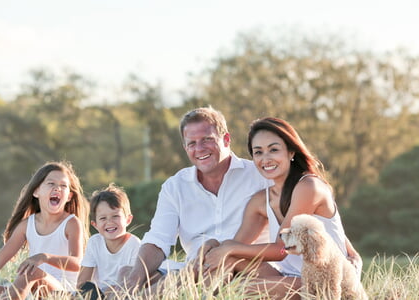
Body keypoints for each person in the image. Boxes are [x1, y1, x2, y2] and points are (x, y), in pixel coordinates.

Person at [200, 117, 363, 299]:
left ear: (291, 152)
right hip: (287, 276)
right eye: (258, 152)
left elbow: (281, 249)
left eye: (274, 150)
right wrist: (217, 248)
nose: (266, 159)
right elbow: (238, 247)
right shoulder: (260, 200)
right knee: (228, 262)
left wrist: (228, 249)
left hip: (322, 282)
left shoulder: (309, 187)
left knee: (241, 289)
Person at [124, 106, 272, 290]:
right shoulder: (175, 186)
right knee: (127, 273)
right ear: (185, 147)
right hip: (193, 270)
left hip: (244, 267)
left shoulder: (260, 176)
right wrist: (133, 281)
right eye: (192, 143)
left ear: (226, 139)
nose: (199, 148)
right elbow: (158, 240)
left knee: (207, 272)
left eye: (207, 139)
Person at [0, 161, 89, 300]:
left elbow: (77, 263)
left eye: (63, 186)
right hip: (30, 292)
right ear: (36, 191)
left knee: (32, 271)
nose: (57, 189)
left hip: (63, 293)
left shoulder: (71, 223)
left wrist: (44, 257)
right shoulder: (27, 225)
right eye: (51, 183)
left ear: (69, 196)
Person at [76, 183, 141, 298]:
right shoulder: (94, 242)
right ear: (95, 225)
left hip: (122, 294)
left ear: (128, 219)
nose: (110, 222)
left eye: (115, 216)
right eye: (103, 218)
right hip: (98, 295)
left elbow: (133, 283)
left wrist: (111, 293)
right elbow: (82, 282)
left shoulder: (134, 245)